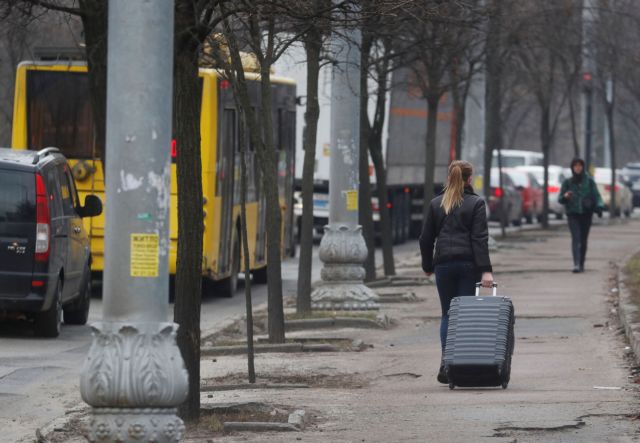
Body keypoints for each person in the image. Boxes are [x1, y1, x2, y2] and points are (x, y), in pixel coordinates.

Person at [419, 160, 494, 384]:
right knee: (464, 316)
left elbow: (425, 239)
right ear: (469, 179)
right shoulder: (476, 203)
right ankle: (460, 363)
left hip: (443, 266)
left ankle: (446, 362)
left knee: (447, 315)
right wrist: (486, 271)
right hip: (467, 266)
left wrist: (427, 266)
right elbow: (479, 240)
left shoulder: (436, 204)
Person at [558, 158, 604, 273]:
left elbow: (597, 196)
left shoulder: (589, 182)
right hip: (572, 214)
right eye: (575, 166)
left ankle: (582, 263)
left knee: (583, 240)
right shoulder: (567, 182)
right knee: (576, 237)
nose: (577, 168)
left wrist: (599, 206)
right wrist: (565, 197)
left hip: (586, 214)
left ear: (583, 167)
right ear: (572, 168)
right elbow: (560, 199)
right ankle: (576, 264)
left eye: (580, 166)